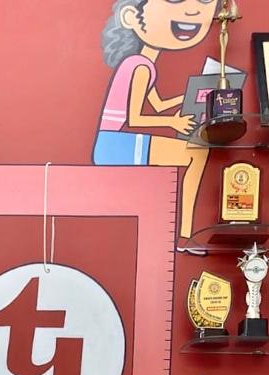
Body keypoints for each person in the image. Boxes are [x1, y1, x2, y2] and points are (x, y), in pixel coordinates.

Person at [93, 0, 215, 246]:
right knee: (197, 152)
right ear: (131, 17)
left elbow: (158, 104)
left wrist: (193, 96)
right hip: (115, 144)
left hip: (115, 141)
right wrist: (172, 123)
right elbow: (135, 119)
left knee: (196, 151)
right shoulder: (141, 67)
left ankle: (186, 234)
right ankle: (186, 235)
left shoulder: (142, 64)